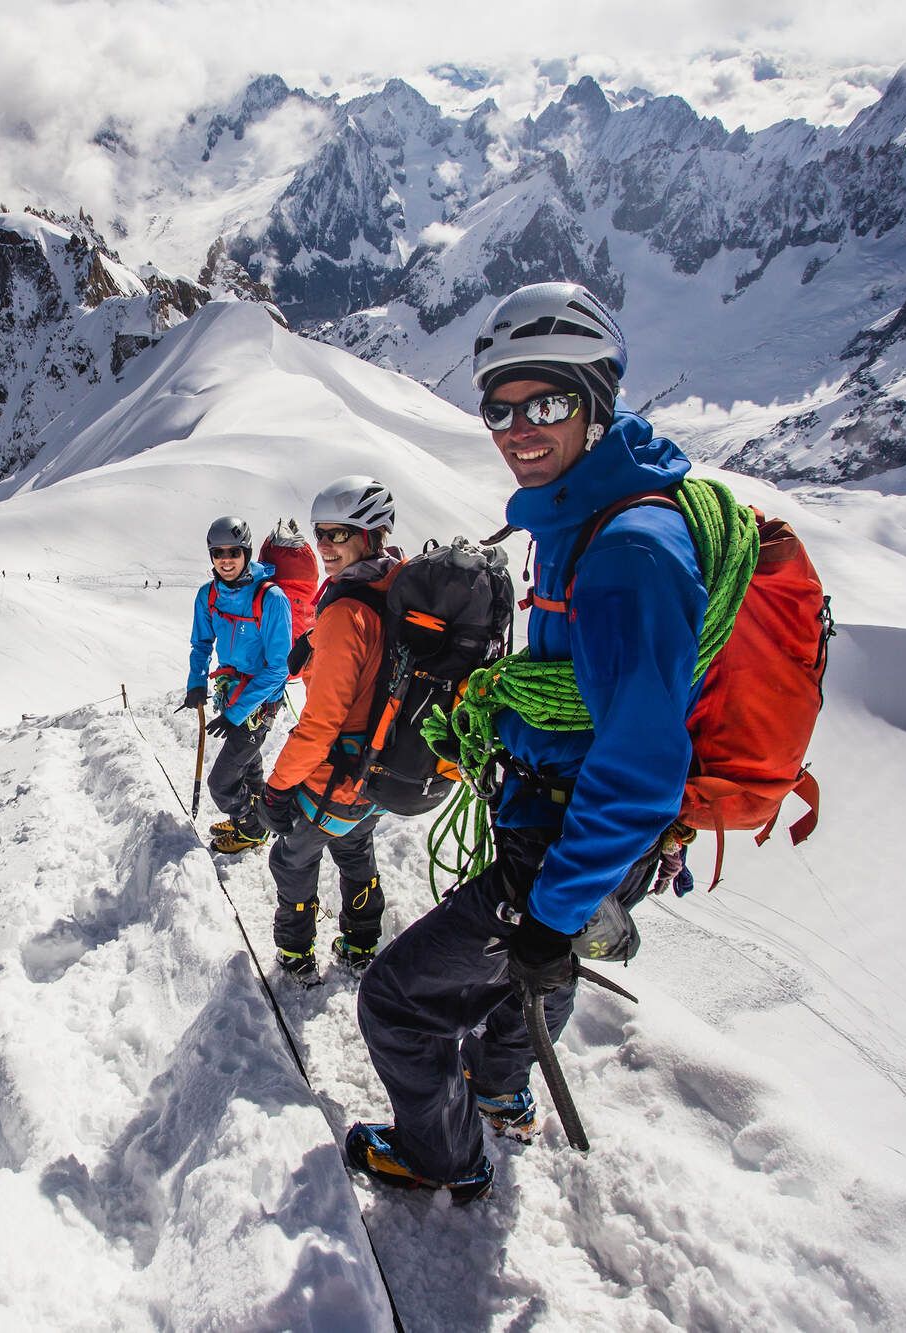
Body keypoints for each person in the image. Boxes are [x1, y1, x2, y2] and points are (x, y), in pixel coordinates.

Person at [346, 281, 706, 1201]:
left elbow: (640, 767)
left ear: (598, 399)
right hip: (565, 833)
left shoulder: (627, 550)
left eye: (545, 402)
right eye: (498, 407)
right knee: (526, 978)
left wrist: (552, 909)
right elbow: (580, 700)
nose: (518, 426)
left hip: (566, 845)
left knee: (398, 1002)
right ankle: (503, 1091)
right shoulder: (581, 517)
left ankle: (444, 1155)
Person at [249, 479, 401, 980]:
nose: (327, 546)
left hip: (334, 773)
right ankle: (361, 942)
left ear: (372, 535)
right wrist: (316, 638)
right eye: (321, 534)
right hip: (380, 769)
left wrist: (277, 786)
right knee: (355, 846)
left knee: (292, 858)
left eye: (341, 533)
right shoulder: (394, 586)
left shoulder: (345, 612)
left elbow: (320, 724)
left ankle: (295, 953)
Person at [179, 515, 293, 856]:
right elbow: (201, 644)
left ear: (246, 552)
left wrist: (236, 714)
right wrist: (196, 683)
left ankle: (252, 825)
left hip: (261, 703)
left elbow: (279, 668)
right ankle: (254, 819)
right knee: (249, 764)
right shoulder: (208, 596)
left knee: (222, 782)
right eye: (217, 553)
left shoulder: (271, 599)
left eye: (233, 551)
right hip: (232, 693)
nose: (225, 559)